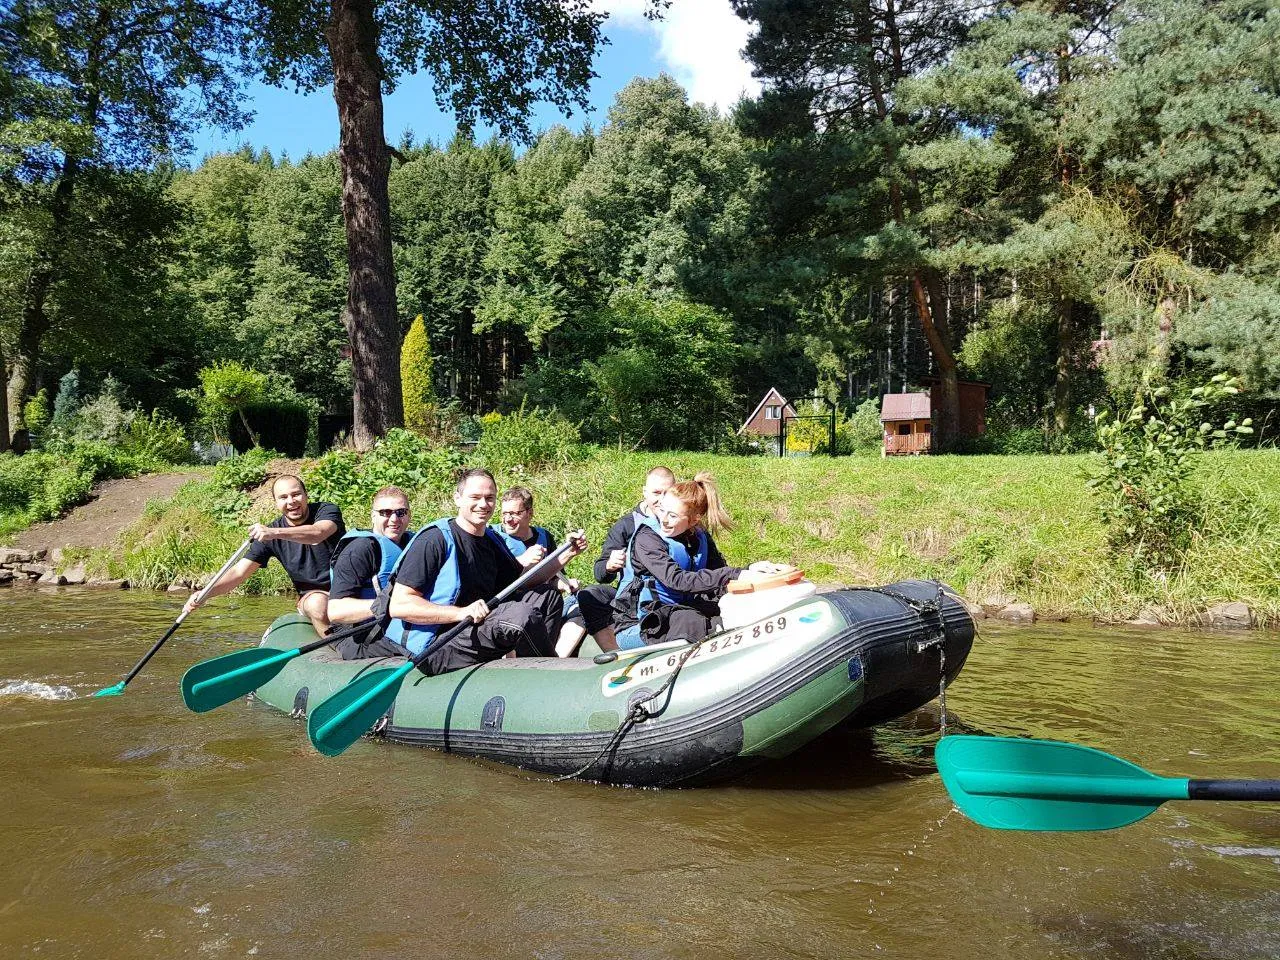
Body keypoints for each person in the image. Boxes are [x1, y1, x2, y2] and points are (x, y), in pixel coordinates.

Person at [386, 468, 587, 675]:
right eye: (475, 497)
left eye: (489, 498)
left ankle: (533, 668)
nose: (483, 504)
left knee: (547, 596)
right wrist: (461, 613)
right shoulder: (434, 540)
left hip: (472, 630)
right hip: (436, 646)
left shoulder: (491, 540)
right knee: (519, 615)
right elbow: (400, 606)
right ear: (457, 498)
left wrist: (567, 554)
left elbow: (523, 582)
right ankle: (552, 674)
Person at [609, 472, 775, 649]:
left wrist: (750, 571)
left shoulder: (699, 536)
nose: (664, 519)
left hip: (683, 608)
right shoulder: (647, 538)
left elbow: (720, 575)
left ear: (694, 520)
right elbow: (677, 580)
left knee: (728, 605)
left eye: (672, 516)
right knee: (689, 621)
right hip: (640, 623)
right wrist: (734, 573)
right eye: (662, 510)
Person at [183, 474, 344, 635]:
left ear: (305, 495)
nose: (291, 501)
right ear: (276, 503)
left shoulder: (326, 510)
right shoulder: (269, 536)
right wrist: (205, 594)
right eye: (283, 497)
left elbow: (318, 533)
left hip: (347, 587)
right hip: (314, 596)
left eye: (296, 494)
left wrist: (274, 533)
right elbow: (238, 573)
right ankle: (336, 647)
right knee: (317, 604)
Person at [554, 466, 674, 656]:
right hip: (631, 597)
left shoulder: (682, 519)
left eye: (667, 493)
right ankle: (616, 654)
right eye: (656, 493)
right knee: (589, 595)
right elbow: (600, 572)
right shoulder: (626, 525)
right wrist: (610, 565)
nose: (661, 499)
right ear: (645, 492)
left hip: (668, 591)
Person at [326, 485, 415, 659]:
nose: (394, 519)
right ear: (373, 516)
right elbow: (336, 611)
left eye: (401, 512)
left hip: (393, 626)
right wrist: (391, 606)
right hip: (357, 635)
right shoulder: (359, 550)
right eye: (385, 513)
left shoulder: (414, 543)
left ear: (409, 515)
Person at [493, 486, 555, 568]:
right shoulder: (492, 537)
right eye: (504, 513)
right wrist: (521, 560)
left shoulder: (545, 537)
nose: (507, 519)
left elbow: (555, 576)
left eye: (514, 513)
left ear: (530, 513)